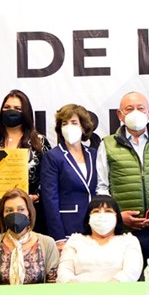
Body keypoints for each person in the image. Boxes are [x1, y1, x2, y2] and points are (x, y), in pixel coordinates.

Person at [96, 91, 149, 263]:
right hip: (123, 232)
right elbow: (101, 187)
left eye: (140, 108)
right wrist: (116, 216)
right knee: (125, 277)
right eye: (129, 109)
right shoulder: (107, 144)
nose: (135, 113)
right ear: (120, 114)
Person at [0, 90, 50, 213]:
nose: (11, 111)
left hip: (30, 211)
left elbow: (48, 175)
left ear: (26, 113)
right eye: (7, 107)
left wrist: (36, 195)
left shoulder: (39, 142)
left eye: (18, 109)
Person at [40, 104, 98, 246]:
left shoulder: (93, 154)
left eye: (74, 122)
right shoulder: (53, 156)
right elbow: (50, 199)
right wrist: (58, 237)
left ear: (83, 127)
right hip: (67, 228)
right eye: (64, 123)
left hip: (95, 228)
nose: (68, 127)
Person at [0, 188, 59, 284]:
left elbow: (54, 285)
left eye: (21, 209)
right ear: (3, 215)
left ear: (29, 213)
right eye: (9, 210)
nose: (15, 214)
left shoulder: (48, 244)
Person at [56, 196, 143, 283]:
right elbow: (64, 271)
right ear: (88, 218)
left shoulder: (129, 241)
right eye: (96, 211)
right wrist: (75, 286)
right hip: (78, 290)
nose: (102, 216)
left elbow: (132, 271)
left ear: (117, 217)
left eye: (108, 211)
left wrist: (112, 286)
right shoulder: (75, 241)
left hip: (118, 290)